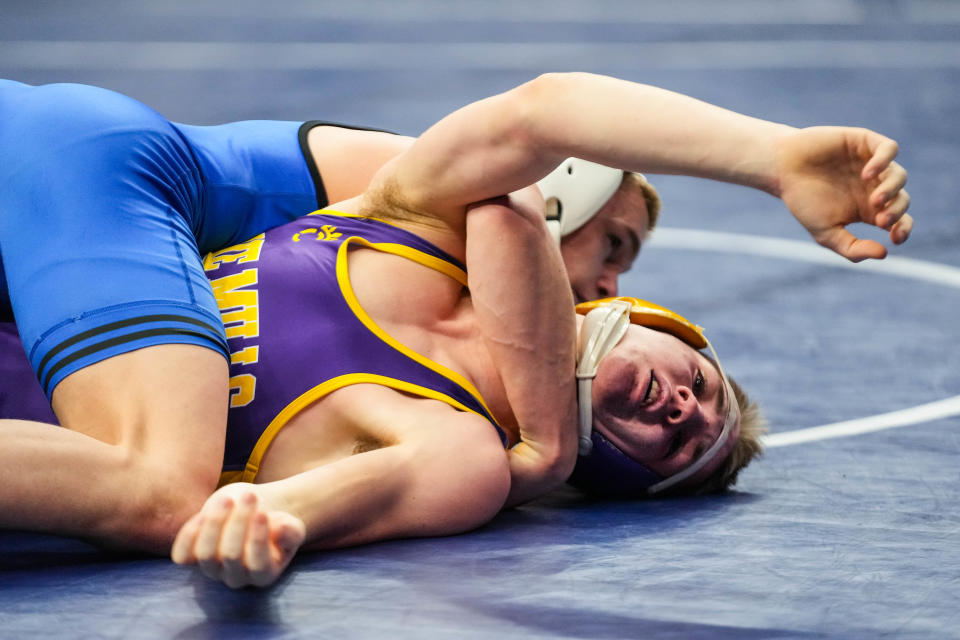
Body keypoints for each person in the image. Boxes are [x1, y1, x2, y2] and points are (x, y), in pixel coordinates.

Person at [0, 73, 911, 588]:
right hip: (102, 170)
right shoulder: (454, 224)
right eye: (700, 387)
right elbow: (536, 121)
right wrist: (770, 156)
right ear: (652, 322)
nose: (680, 407)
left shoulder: (464, 451)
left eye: (679, 442)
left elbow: (277, 516)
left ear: (614, 480)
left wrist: (260, 533)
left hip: (32, 265)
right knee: (160, 488)